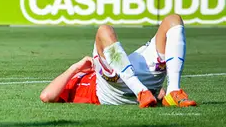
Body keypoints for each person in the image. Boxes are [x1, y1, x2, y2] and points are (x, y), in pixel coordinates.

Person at [40, 14, 197, 108]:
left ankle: (173, 91)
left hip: (136, 81)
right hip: (108, 89)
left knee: (173, 21)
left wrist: (160, 92)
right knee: (104, 30)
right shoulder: (73, 79)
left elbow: (159, 93)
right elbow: (46, 96)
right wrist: (76, 67)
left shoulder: (101, 68)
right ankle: (140, 91)